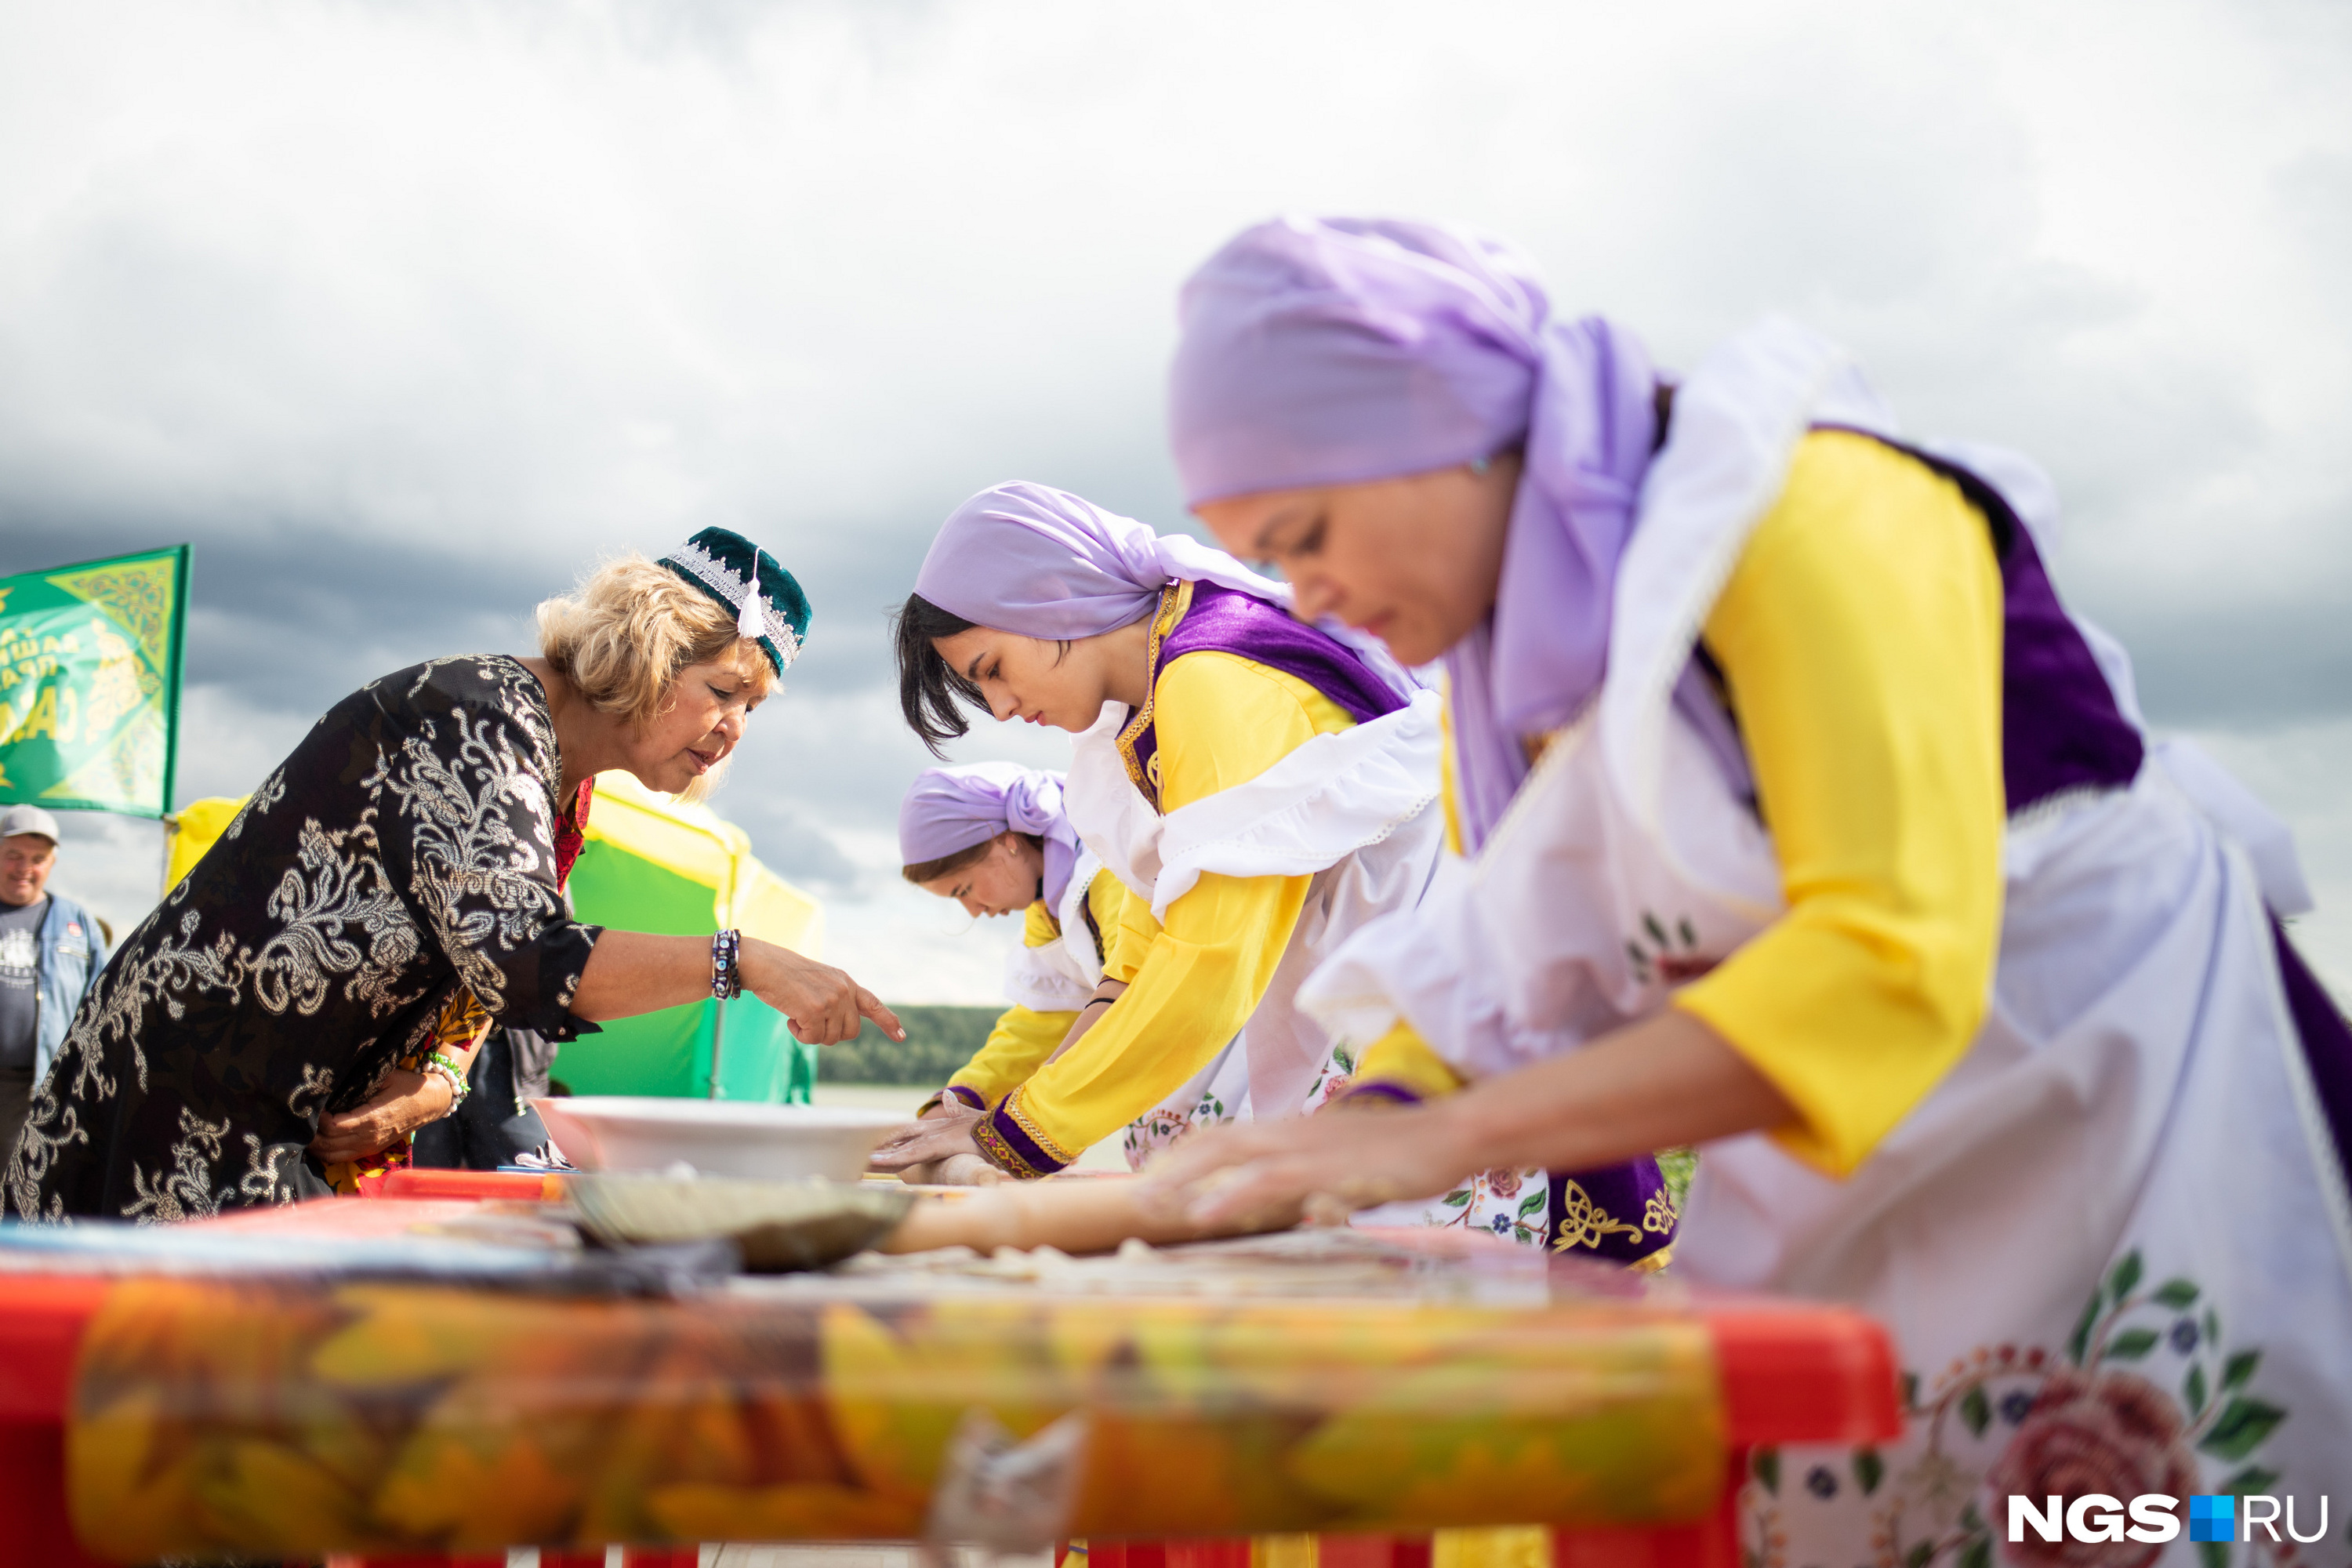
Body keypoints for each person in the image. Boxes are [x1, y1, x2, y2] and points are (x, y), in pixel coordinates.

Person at [1143, 216, 2352, 1542]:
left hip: (2120, 1089)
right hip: (1874, 1154)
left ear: (1447, 427)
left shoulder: (1808, 508)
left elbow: (1880, 967)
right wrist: (1367, 1122)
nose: (1305, 600)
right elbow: (1518, 967)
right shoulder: (1524, 682)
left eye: (1305, 532)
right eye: (1266, 560)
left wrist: (1443, 1139)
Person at [871, 483, 1675, 1265]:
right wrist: (994, 1115)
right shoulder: (1157, 695)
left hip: (1429, 978)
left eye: (992, 667)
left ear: (1051, 602)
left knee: (1429, 1275)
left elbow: (1212, 958)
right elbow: (1154, 943)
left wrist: (1020, 1134)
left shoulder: (1211, 679)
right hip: (1386, 979)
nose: (1004, 707)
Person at [8, 528, 902, 1221]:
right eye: (721, 689)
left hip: (277, 1105)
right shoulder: (478, 715)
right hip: (190, 1085)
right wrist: (738, 959)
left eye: (752, 707)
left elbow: (481, 970)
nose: (735, 725)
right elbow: (525, 956)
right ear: (650, 649)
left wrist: (434, 1081)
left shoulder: (563, 785)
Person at [893, 762, 1129, 1181]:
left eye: (963, 889)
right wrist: (955, 1101)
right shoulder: (1050, 910)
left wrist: (1027, 1119)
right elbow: (1041, 1025)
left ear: (1007, 842)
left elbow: (1132, 995)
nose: (974, 910)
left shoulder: (1110, 869)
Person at [0, 804, 111, 1169]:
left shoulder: (77, 922)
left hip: (41, 1086)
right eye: (13, 855)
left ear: (51, 863)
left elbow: (102, 1007)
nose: (24, 868)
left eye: (37, 858)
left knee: (20, 1191)